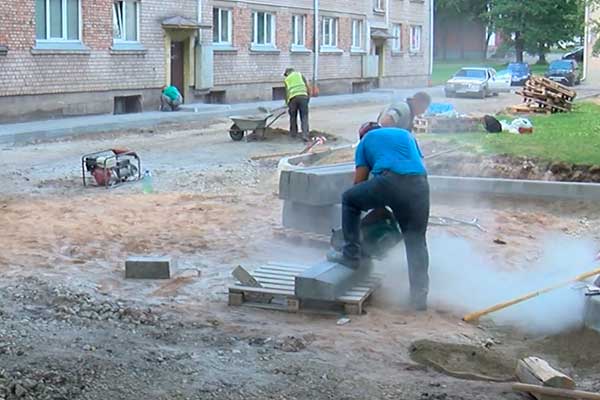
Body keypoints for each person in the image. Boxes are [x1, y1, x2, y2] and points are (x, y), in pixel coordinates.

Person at [328, 122, 430, 311]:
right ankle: (419, 298)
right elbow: (412, 166)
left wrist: (376, 203)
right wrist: (384, 206)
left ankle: (351, 254)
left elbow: (359, 182)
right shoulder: (405, 134)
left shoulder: (365, 141)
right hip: (420, 184)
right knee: (416, 239)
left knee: (350, 200)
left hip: (390, 180)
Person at [283, 68, 311, 141]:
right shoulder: (300, 75)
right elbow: (307, 86)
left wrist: (287, 103)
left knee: (293, 117)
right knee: (304, 116)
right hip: (303, 97)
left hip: (293, 99)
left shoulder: (287, 79)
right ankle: (305, 135)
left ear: (287, 73)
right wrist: (308, 97)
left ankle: (293, 134)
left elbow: (286, 93)